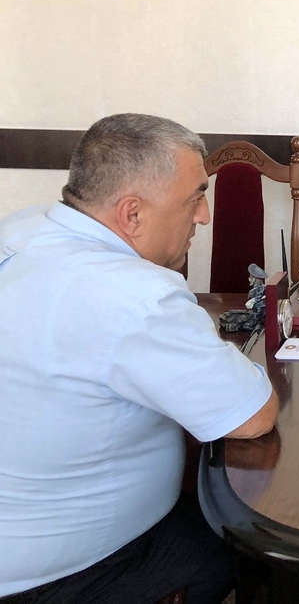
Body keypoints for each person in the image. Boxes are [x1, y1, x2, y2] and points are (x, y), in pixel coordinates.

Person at [0, 114, 279, 603]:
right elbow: (250, 416)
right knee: (257, 545)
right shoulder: (132, 295)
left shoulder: (20, 227)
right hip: (63, 573)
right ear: (132, 213)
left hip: (18, 528)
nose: (204, 216)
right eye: (195, 197)